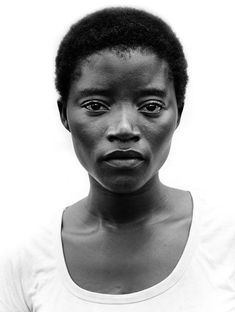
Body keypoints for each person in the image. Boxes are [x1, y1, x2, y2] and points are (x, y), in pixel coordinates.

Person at [0, 7, 235, 311]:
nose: (124, 128)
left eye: (150, 106)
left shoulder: (226, 244)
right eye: (96, 105)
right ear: (64, 115)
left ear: (178, 113)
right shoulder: (27, 263)